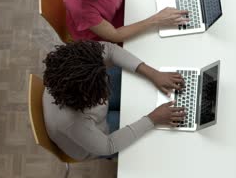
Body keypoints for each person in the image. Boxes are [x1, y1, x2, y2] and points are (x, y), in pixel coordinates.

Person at [42, 40, 186, 160]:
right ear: (89, 96)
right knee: (159, 138)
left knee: (138, 86)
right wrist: (152, 119)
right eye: (103, 87)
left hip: (89, 107)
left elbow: (110, 50)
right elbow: (108, 146)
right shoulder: (73, 123)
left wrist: (154, 74)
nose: (107, 84)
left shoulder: (81, 59)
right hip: (100, 137)